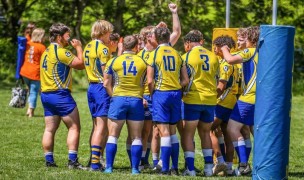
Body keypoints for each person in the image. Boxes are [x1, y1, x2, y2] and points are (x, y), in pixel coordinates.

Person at [40, 23, 85, 169]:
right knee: (74, 127)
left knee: (49, 129)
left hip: (46, 95)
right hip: (60, 95)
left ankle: (49, 161)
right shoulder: (61, 51)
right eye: (67, 35)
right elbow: (80, 64)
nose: (69, 38)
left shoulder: (46, 51)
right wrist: (78, 47)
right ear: (59, 37)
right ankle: (72, 161)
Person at [146, 27, 188, 175]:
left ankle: (164, 169)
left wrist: (152, 94)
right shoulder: (177, 54)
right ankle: (174, 168)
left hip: (161, 94)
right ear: (168, 37)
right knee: (172, 132)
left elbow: (150, 81)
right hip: (176, 94)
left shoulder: (153, 54)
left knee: (163, 132)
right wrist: (176, 86)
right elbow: (186, 80)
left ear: (156, 39)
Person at [103, 35, 147, 174]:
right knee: (136, 137)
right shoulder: (143, 62)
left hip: (118, 99)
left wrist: (113, 95)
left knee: (113, 136)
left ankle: (109, 168)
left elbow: (106, 83)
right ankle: (135, 169)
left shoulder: (113, 61)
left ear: (123, 45)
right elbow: (147, 81)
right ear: (136, 47)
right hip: (136, 100)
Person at [221, 26, 260, 176]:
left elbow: (230, 60)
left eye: (243, 38)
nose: (239, 41)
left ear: (251, 39)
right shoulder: (262, 52)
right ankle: (254, 162)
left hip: (248, 98)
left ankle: (243, 164)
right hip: (259, 98)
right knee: (251, 130)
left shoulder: (250, 51)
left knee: (232, 129)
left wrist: (225, 49)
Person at [180, 31, 218, 177]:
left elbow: (184, 80)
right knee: (205, 133)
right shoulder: (213, 56)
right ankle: (209, 168)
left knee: (188, 134)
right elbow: (216, 78)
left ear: (188, 43)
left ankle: (190, 169)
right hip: (210, 99)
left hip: (193, 99)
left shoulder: (186, 57)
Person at [83, 20, 113, 171]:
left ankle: (93, 159)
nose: (110, 36)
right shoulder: (103, 48)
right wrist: (111, 92)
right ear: (103, 32)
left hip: (91, 87)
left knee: (96, 126)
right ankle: (96, 163)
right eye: (109, 33)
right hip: (101, 88)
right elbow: (106, 73)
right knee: (101, 127)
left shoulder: (87, 46)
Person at [211, 35, 239, 176]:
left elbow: (221, 86)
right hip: (232, 102)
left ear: (222, 47)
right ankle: (228, 167)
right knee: (227, 135)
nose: (214, 49)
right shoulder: (233, 62)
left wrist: (211, 98)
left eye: (216, 46)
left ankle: (219, 160)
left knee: (207, 129)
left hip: (223, 102)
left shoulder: (226, 64)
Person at [20, 28, 46, 117]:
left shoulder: (28, 44)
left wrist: (27, 32)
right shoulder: (42, 47)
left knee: (30, 91)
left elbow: (26, 37)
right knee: (34, 92)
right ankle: (30, 111)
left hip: (24, 72)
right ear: (41, 36)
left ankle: (28, 108)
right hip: (35, 73)